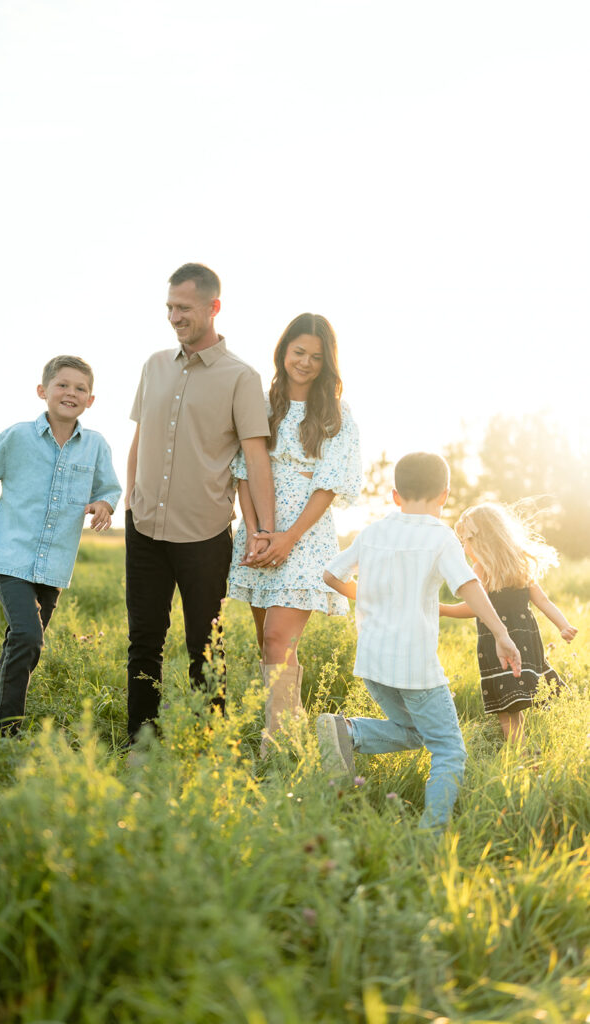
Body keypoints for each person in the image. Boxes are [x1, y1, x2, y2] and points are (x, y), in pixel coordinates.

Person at [316, 452, 522, 831]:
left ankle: (348, 732)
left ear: (395, 495)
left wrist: (368, 596)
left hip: (372, 663)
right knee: (448, 750)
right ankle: (431, 833)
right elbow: (467, 584)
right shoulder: (440, 537)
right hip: (415, 669)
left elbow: (331, 574)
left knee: (415, 731)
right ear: (444, 495)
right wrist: (501, 632)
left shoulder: (373, 532)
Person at [0, 356, 121, 734]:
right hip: (10, 558)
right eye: (62, 385)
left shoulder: (96, 446)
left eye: (80, 388)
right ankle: (6, 732)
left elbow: (109, 489)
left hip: (55, 566)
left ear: (91, 399)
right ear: (42, 391)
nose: (71, 393)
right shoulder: (16, 437)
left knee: (21, 646)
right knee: (29, 638)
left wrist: (103, 505)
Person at [125, 263, 274, 742]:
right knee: (143, 641)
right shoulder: (153, 366)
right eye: (170, 307)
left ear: (214, 307)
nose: (174, 317)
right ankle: (141, 742)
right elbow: (140, 439)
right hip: (144, 526)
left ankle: (208, 745)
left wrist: (264, 529)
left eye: (184, 308)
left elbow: (256, 458)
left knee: (204, 647)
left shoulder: (241, 377)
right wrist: (130, 501)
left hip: (205, 534)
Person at [227, 313, 361, 757]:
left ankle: (277, 745)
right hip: (258, 532)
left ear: (327, 363)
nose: (305, 362)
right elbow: (244, 472)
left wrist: (287, 537)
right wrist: (255, 532)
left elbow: (328, 484)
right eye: (299, 352)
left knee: (277, 638)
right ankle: (290, 738)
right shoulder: (261, 406)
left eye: (316, 357)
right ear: (283, 351)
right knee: (268, 642)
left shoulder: (336, 415)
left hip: (305, 534)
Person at [440, 502, 577, 744]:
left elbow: (474, 608)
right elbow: (543, 600)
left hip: (498, 645)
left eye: (466, 541)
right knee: (518, 698)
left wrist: (443, 609)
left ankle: (520, 752)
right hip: (526, 641)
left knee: (507, 707)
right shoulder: (519, 563)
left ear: (481, 541)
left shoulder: (481, 569)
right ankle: (528, 748)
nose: (464, 547)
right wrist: (563, 625)